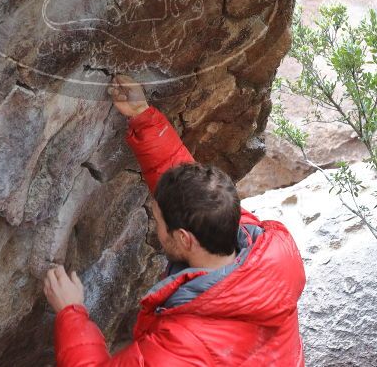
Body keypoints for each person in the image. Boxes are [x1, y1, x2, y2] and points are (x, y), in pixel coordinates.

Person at [43, 75, 306, 366]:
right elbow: (192, 192)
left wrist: (70, 312)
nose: (155, 226)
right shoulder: (265, 249)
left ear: (184, 238)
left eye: (157, 220)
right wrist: (143, 116)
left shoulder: (180, 347)